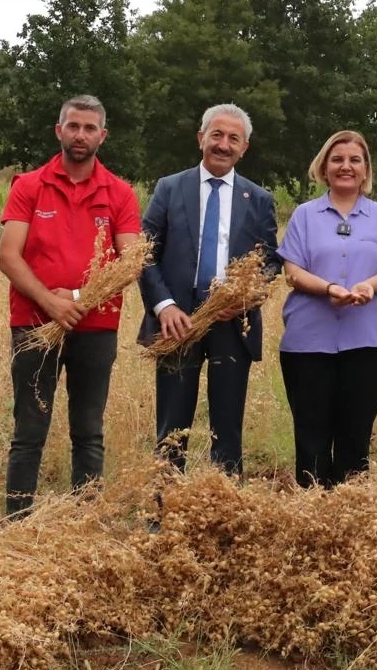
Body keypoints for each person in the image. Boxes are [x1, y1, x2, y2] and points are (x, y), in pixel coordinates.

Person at [0, 95, 141, 518]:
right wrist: (48, 301)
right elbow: (9, 256)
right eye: (73, 126)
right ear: (59, 131)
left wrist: (76, 300)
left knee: (89, 430)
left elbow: (129, 261)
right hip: (33, 326)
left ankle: (83, 526)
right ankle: (17, 525)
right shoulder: (29, 185)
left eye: (90, 128)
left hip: (96, 327)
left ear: (103, 135)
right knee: (29, 431)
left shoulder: (119, 193)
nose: (81, 135)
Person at [138, 104, 279, 476]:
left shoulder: (259, 199)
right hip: (177, 324)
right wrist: (164, 305)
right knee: (172, 428)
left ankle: (223, 513)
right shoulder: (170, 188)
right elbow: (144, 251)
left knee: (227, 428)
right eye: (216, 135)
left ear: (244, 147)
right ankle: (163, 514)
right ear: (201, 138)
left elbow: (270, 261)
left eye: (234, 138)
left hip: (232, 325)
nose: (223, 144)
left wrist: (245, 296)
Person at [278, 130, 377, 487]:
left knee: (355, 437)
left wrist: (368, 286)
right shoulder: (304, 215)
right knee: (311, 437)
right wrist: (328, 288)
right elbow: (293, 270)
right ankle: (313, 518)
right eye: (337, 159)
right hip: (308, 342)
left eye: (354, 160)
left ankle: (349, 521)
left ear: (366, 170)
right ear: (324, 167)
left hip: (367, 341)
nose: (345, 166)